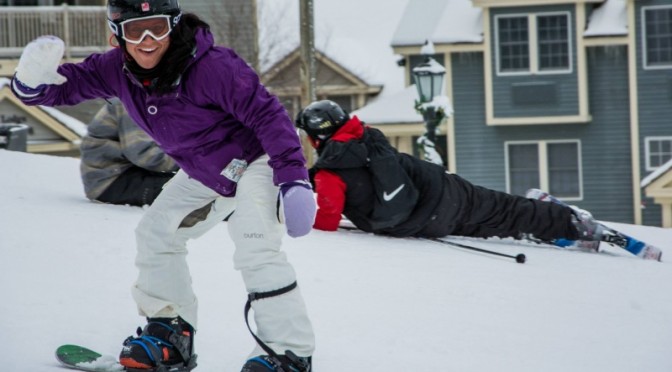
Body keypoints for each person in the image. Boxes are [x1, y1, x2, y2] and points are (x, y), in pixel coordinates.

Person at [11, 1, 316, 371]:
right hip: (206, 171)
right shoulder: (116, 70)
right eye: (136, 30)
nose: (148, 40)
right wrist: (31, 82)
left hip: (256, 159)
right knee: (157, 233)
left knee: (255, 242)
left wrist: (293, 178)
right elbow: (63, 88)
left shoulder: (213, 66)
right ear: (117, 35)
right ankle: (170, 334)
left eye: (157, 27)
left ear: (173, 26)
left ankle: (287, 353)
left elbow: (268, 115)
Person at [296, 100, 605, 248]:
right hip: (442, 189)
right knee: (502, 207)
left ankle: (542, 228)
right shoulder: (366, 136)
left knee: (487, 226)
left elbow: (327, 219)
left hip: (423, 222)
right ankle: (570, 223)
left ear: (315, 137)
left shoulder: (329, 174)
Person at [80, 98, 178, 206]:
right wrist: (191, 164)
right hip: (111, 181)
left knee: (193, 185)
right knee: (190, 192)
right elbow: (143, 154)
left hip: (135, 172)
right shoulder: (134, 102)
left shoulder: (159, 104)